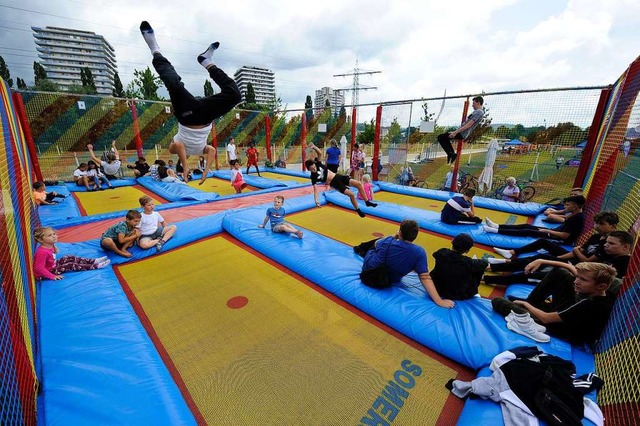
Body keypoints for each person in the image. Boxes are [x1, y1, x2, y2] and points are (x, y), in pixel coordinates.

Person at [140, 21, 241, 184]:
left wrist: (185, 167)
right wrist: (205, 172)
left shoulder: (175, 147)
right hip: (206, 116)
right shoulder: (202, 149)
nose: (185, 155)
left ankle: (155, 50)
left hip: (187, 116)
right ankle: (207, 61)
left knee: (173, 83)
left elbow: (179, 147)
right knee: (235, 95)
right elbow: (212, 150)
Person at [491, 262, 617, 345]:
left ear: (601, 286)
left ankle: (527, 314)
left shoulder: (588, 304)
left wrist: (525, 305)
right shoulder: (604, 292)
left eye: (582, 280)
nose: (576, 281)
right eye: (578, 277)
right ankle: (530, 303)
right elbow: (571, 269)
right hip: (569, 314)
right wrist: (542, 260)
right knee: (561, 273)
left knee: (497, 301)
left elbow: (546, 319)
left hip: (560, 328)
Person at [484, 211, 621, 285]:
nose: (596, 226)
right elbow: (577, 252)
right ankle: (493, 265)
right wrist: (556, 258)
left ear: (613, 226)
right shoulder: (595, 237)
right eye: (596, 223)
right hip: (573, 261)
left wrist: (573, 251)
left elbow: (586, 260)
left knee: (531, 271)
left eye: (601, 224)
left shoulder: (606, 248)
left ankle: (486, 278)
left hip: (578, 268)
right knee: (539, 256)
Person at [353, 220, 455, 308]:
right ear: (415, 236)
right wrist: (438, 301)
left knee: (375, 246)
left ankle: (360, 248)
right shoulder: (419, 252)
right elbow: (425, 277)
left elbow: (375, 244)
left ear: (400, 233)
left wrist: (394, 236)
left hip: (368, 270)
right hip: (390, 279)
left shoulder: (388, 240)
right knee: (412, 263)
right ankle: (361, 249)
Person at [486, 195, 586, 252]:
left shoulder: (577, 218)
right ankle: (497, 226)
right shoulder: (573, 214)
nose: (565, 207)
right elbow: (564, 218)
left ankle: (496, 230)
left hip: (558, 238)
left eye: (568, 205)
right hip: (554, 231)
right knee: (527, 226)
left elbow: (565, 236)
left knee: (528, 231)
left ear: (575, 206)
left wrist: (547, 230)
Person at [305, 143, 377, 218]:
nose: (313, 169)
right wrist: (316, 200)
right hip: (334, 183)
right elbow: (316, 190)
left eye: (313, 167)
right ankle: (358, 210)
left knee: (359, 184)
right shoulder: (313, 177)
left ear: (314, 164)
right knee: (351, 194)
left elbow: (319, 153)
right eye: (311, 169)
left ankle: (367, 202)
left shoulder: (318, 164)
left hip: (338, 176)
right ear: (309, 170)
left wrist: (314, 147)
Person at [33, 227, 110, 280]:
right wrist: (53, 276)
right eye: (50, 235)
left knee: (69, 257)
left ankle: (94, 261)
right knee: (70, 265)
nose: (54, 236)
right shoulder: (42, 252)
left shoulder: (49, 245)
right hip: (44, 274)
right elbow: (38, 268)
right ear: (41, 239)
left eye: (54, 234)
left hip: (52, 266)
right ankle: (96, 266)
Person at [430, 233, 489, 300]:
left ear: (452, 242)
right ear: (467, 250)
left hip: (435, 287)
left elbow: (436, 255)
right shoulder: (468, 262)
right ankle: (473, 292)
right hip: (456, 294)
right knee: (477, 270)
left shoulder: (442, 252)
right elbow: (484, 263)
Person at [437, 96, 484, 164]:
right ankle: (451, 153)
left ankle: (451, 154)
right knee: (443, 137)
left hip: (462, 133)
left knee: (440, 137)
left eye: (473, 103)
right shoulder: (476, 112)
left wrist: (455, 132)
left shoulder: (479, 112)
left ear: (478, 103)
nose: (472, 105)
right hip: (461, 131)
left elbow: (469, 124)